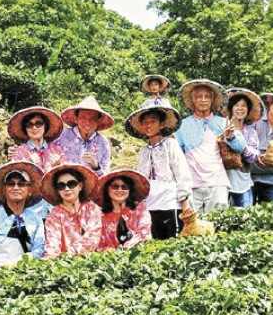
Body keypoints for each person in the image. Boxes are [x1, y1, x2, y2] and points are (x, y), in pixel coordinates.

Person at [174, 79, 245, 214]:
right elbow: (177, 155)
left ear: (212, 100)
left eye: (207, 96)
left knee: (218, 227)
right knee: (193, 229)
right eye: (199, 96)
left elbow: (241, 147)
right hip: (191, 185)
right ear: (193, 100)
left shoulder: (223, 122)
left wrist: (230, 136)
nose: (203, 100)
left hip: (217, 183)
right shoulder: (182, 126)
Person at [127, 104, 193, 239]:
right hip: (150, 204)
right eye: (145, 122)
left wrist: (184, 201)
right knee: (154, 241)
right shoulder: (143, 152)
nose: (148, 125)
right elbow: (141, 180)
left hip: (170, 201)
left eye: (153, 122)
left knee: (173, 241)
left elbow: (182, 173)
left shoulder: (170, 145)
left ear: (161, 124)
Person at [0, 161, 46, 269]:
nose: (16, 187)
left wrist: (24, 261)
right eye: (11, 183)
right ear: (4, 190)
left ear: (29, 190)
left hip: (25, 272)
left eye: (21, 184)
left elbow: (39, 249)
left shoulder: (36, 219)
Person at [6, 106, 66, 220]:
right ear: (25, 129)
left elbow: (66, 178)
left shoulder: (57, 151)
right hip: (31, 208)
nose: (34, 128)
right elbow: (18, 182)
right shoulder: (19, 152)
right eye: (30, 124)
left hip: (56, 206)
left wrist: (56, 168)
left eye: (38, 123)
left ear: (45, 126)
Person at [40, 164, 102, 258]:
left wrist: (70, 253)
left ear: (80, 186)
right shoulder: (54, 215)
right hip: (65, 265)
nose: (67, 189)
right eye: (61, 186)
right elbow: (53, 244)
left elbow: (93, 238)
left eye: (71, 184)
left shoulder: (92, 209)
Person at [222, 88, 264, 208]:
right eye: (236, 105)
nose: (240, 108)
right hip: (223, 182)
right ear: (231, 108)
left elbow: (254, 157)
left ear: (248, 110)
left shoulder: (251, 132)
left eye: (244, 106)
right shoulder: (221, 127)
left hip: (244, 182)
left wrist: (240, 145)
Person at [93, 169, 152, 251]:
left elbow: (144, 232)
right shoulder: (100, 216)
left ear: (130, 190)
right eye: (115, 186)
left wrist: (131, 245)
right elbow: (97, 244)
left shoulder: (140, 208)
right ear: (107, 189)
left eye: (124, 187)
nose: (120, 190)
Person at [56, 95, 113, 175]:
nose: (87, 122)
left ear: (98, 121)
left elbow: (106, 173)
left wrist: (96, 166)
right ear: (76, 119)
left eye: (93, 119)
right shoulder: (62, 135)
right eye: (83, 117)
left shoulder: (103, 142)